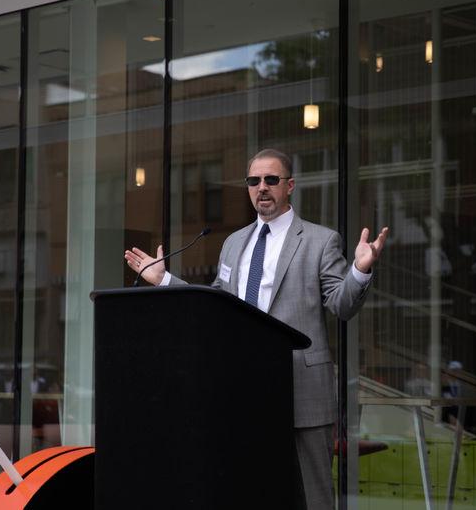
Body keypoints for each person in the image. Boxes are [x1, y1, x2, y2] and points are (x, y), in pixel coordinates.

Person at [124, 148, 389, 510]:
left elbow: (341, 305)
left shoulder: (319, 240)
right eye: (254, 181)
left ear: (290, 185)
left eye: (271, 180)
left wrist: (359, 270)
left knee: (313, 497)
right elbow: (216, 307)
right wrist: (165, 279)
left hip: (302, 390)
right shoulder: (235, 243)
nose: (261, 187)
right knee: (254, 490)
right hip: (245, 389)